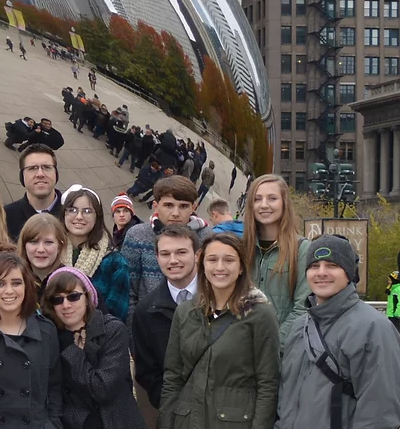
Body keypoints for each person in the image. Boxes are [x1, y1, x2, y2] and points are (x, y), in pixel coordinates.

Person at [275, 235, 400, 429]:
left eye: (332, 265)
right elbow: (285, 398)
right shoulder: (299, 326)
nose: (321, 273)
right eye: (314, 266)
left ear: (349, 273)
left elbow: (380, 414)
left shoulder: (374, 328)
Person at [159, 232, 279, 429]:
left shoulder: (259, 314)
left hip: (235, 422)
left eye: (229, 260)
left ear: (241, 267)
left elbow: (268, 383)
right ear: (202, 264)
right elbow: (173, 377)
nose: (220, 267)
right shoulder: (186, 312)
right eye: (212, 259)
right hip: (187, 420)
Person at [41, 267, 141, 429]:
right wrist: (81, 419)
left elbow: (102, 388)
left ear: (87, 297)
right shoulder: (49, 337)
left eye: (73, 297)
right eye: (57, 299)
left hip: (117, 422)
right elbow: (52, 395)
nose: (66, 305)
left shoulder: (112, 330)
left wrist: (70, 349)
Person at [0, 252, 63, 429]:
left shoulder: (46, 330)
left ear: (26, 287)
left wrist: (53, 424)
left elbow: (55, 386)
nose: (9, 291)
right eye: (0, 283)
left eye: (16, 283)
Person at [130, 223, 199, 420]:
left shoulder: (219, 299)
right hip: (176, 413)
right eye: (165, 254)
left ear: (197, 255)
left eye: (181, 252)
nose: (173, 260)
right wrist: (171, 405)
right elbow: (146, 372)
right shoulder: (145, 311)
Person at [242, 174, 312, 346]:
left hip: (283, 352)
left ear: (284, 203)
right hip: (242, 351)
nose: (264, 205)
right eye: (257, 199)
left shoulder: (302, 249)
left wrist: (271, 345)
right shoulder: (240, 249)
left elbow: (303, 307)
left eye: (272, 198)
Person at [123, 176, 206, 311]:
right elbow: (128, 291)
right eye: (168, 205)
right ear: (156, 206)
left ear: (193, 207)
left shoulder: (206, 237)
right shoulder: (137, 235)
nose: (175, 213)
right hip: (149, 321)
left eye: (183, 206)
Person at [60, 185, 132, 320]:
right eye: (72, 210)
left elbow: (115, 318)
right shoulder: (50, 253)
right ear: (64, 214)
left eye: (87, 211)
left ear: (97, 216)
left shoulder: (115, 262)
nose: (79, 217)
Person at [4, 144, 64, 240]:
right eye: (32, 168)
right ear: (21, 176)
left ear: (56, 173)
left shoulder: (73, 214)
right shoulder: (5, 217)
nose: (40, 174)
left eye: (47, 167)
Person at [16, 212, 69, 285]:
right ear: (24, 245)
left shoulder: (70, 281)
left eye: (48, 242)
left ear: (60, 246)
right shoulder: (14, 280)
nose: (41, 250)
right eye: (34, 242)